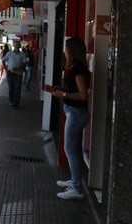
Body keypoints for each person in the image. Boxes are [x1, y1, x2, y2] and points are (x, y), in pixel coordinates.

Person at [44, 37, 90, 200]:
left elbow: (83, 95)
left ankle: (77, 189)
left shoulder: (77, 69)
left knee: (70, 150)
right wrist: (60, 89)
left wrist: (63, 94)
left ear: (72, 50)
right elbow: (74, 89)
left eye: (66, 47)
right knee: (74, 149)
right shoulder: (74, 67)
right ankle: (75, 181)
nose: (64, 49)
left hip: (76, 113)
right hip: (73, 112)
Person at [2, 41, 26, 108]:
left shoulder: (22, 54)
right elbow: (3, 60)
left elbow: (24, 63)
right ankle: (11, 101)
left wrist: (18, 67)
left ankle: (16, 103)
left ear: (19, 46)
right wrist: (6, 69)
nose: (16, 46)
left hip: (18, 73)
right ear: (13, 46)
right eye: (15, 45)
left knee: (17, 88)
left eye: (18, 45)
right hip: (10, 73)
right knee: (11, 88)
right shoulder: (9, 53)